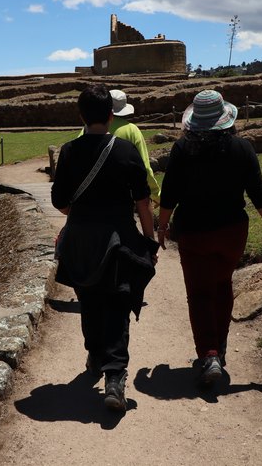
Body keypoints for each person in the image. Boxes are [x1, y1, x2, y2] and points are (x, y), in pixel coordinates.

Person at [156, 89, 262, 387]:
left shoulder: (183, 150)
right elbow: (258, 193)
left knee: (199, 293)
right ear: (226, 120)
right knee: (223, 284)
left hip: (194, 232)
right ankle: (220, 348)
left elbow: (169, 194)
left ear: (194, 122)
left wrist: (162, 226)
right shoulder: (242, 148)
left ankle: (209, 354)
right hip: (232, 232)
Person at [52, 84, 158, 411]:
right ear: (111, 115)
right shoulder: (126, 152)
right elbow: (143, 203)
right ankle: (114, 376)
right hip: (118, 241)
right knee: (117, 304)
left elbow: (59, 201)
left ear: (81, 116)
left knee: (89, 299)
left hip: (81, 240)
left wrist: (82, 216)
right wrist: (149, 239)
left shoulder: (69, 151)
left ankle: (95, 355)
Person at [77, 88, 161, 205]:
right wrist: (156, 194)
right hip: (122, 199)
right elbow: (144, 168)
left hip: (90, 199)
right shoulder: (132, 130)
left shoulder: (87, 129)